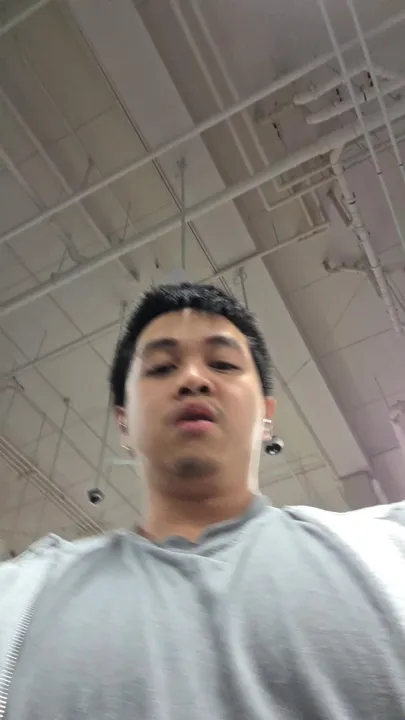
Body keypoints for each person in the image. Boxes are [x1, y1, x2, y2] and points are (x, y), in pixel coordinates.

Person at [1, 282, 405, 720]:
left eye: (223, 364)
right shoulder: (20, 599)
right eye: (161, 368)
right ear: (123, 422)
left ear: (267, 417)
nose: (193, 379)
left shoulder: (390, 549)